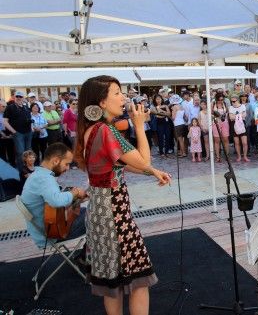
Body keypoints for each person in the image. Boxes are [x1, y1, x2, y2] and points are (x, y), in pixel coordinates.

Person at [74, 75, 172, 315]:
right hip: (114, 215)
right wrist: (140, 126)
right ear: (101, 102)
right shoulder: (106, 130)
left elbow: (122, 163)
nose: (124, 98)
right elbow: (144, 159)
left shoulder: (91, 130)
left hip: (100, 213)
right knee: (139, 276)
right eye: (117, 93)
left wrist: (152, 172)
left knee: (112, 282)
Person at [20, 143, 87, 249]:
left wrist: (74, 198)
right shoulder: (45, 179)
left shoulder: (38, 175)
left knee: (83, 210)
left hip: (47, 228)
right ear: (55, 160)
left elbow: (53, 202)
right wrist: (75, 193)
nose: (68, 168)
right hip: (52, 234)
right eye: (66, 164)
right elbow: (56, 201)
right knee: (97, 216)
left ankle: (84, 255)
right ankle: (87, 256)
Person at [3, 91, 32, 170]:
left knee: (28, 152)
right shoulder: (10, 107)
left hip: (28, 132)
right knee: (20, 153)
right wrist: (14, 131)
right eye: (17, 96)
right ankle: (22, 170)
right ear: (14, 97)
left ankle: (28, 168)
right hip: (18, 133)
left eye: (20, 96)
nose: (18, 98)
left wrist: (31, 128)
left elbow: (29, 119)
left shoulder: (26, 107)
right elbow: (5, 121)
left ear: (23, 98)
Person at [229, 94, 249, 162]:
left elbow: (245, 115)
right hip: (234, 125)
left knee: (244, 142)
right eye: (231, 101)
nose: (232, 103)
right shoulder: (231, 107)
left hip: (242, 124)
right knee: (236, 142)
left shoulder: (243, 106)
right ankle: (239, 156)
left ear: (238, 100)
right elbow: (231, 117)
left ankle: (245, 156)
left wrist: (235, 116)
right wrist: (240, 116)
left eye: (234, 101)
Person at [212, 92, 230, 162]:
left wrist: (224, 115)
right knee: (217, 140)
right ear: (216, 99)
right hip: (216, 123)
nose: (221, 101)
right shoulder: (213, 104)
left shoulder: (225, 104)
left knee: (226, 139)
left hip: (224, 123)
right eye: (219, 100)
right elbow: (210, 113)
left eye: (222, 99)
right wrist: (216, 115)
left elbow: (227, 112)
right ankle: (218, 157)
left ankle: (227, 155)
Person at [0, 99, 16, 167]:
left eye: (5, 106)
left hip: (9, 133)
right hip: (1, 133)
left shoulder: (8, 114)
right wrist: (1, 133)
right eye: (3, 106)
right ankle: (4, 164)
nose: (5, 108)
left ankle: (12, 163)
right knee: (2, 150)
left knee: (11, 149)